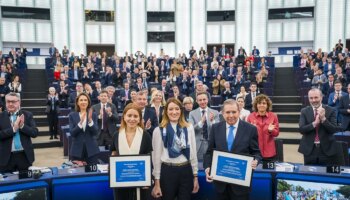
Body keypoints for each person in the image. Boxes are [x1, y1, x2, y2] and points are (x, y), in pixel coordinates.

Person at [203, 99, 261, 200]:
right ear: (222, 113)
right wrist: (208, 167)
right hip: (220, 185)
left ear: (239, 111)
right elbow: (209, 152)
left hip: (241, 186)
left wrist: (256, 160)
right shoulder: (215, 128)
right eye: (227, 112)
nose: (231, 115)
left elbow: (256, 152)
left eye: (234, 112)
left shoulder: (250, 129)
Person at [152, 98, 199, 200]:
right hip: (167, 171)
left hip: (186, 170)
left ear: (181, 111)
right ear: (166, 111)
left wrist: (195, 176)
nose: (174, 112)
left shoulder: (189, 128)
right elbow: (156, 159)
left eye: (177, 109)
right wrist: (157, 183)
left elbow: (193, 153)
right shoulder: (158, 130)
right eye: (171, 109)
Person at [110, 103, 152, 200]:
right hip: (120, 182)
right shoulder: (116, 135)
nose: (132, 119)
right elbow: (114, 154)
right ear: (124, 117)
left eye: (135, 116)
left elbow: (149, 158)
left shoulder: (145, 135)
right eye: (129, 115)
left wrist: (147, 179)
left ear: (140, 119)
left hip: (141, 182)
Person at [298, 88, 343, 165]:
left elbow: (333, 130)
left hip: (326, 149)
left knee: (326, 175)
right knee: (310, 174)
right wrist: (314, 124)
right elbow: (302, 129)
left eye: (316, 97)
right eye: (311, 98)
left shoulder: (331, 110)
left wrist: (323, 119)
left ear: (321, 97)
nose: (313, 100)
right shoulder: (304, 111)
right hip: (309, 150)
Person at [0, 92, 39, 173]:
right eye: (8, 101)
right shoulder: (1, 117)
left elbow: (34, 133)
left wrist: (22, 126)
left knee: (25, 183)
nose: (10, 104)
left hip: (24, 156)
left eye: (13, 101)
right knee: (7, 184)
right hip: (6, 158)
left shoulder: (28, 115)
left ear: (19, 102)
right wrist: (13, 129)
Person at [69, 93, 100, 164]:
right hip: (77, 151)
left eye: (85, 100)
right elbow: (72, 133)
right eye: (81, 100)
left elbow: (95, 132)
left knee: (93, 173)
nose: (83, 102)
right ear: (77, 102)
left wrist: (90, 121)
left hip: (92, 150)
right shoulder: (72, 115)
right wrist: (80, 123)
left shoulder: (93, 115)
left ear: (88, 102)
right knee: (78, 173)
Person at [246, 94, 279, 161]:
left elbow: (277, 133)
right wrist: (252, 131)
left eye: (264, 103)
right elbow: (246, 134)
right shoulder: (250, 116)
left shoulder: (273, 116)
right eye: (259, 103)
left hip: (269, 152)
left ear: (267, 105)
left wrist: (270, 131)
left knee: (268, 171)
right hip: (255, 151)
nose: (261, 105)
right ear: (256, 105)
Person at [189, 92, 220, 162]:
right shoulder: (192, 113)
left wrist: (212, 122)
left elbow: (218, 130)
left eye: (204, 99)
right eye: (200, 100)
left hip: (211, 145)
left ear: (207, 100)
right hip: (197, 146)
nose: (202, 102)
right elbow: (190, 129)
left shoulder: (215, 112)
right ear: (196, 101)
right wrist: (201, 122)